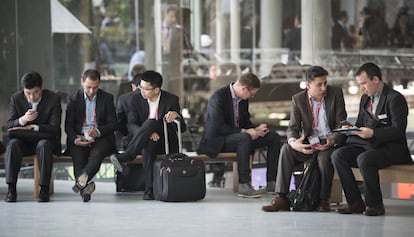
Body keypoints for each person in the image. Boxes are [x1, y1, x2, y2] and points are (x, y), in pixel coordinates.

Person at [261, 66, 347, 212]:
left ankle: (324, 199)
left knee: (323, 159)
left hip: (328, 142)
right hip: (308, 142)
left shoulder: (336, 93)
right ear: (308, 85)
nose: (324, 87)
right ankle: (281, 197)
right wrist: (294, 143)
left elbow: (341, 123)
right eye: (319, 84)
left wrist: (333, 140)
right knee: (286, 149)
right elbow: (292, 128)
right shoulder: (298, 99)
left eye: (325, 83)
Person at [331, 62, 412, 216]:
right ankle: (355, 202)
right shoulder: (365, 99)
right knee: (337, 155)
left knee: (364, 159)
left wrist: (373, 133)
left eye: (364, 84)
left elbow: (398, 130)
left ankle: (375, 205)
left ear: (375, 80)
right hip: (369, 146)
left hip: (392, 149)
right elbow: (361, 124)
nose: (362, 88)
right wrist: (352, 129)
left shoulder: (394, 99)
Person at [198, 72, 281, 198]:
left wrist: (256, 129)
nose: (252, 96)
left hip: (239, 138)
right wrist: (246, 132)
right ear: (244, 88)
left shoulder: (243, 99)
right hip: (217, 140)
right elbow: (218, 127)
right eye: (252, 93)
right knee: (244, 138)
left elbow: (245, 122)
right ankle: (244, 185)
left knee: (273, 137)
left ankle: (271, 182)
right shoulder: (218, 97)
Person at [110, 70, 187, 200]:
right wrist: (148, 133)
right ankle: (149, 189)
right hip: (144, 140)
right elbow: (131, 124)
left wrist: (176, 116)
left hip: (165, 140)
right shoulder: (135, 99)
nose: (142, 91)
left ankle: (128, 156)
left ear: (156, 90)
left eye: (146, 89)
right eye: (141, 87)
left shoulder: (171, 99)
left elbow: (182, 128)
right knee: (148, 142)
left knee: (151, 123)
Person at [4, 71, 62, 202]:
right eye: (27, 93)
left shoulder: (53, 99)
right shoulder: (16, 98)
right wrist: (23, 120)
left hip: (45, 142)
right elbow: (10, 125)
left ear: (42, 88)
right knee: (12, 145)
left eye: (35, 92)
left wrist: (33, 127)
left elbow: (55, 129)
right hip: (24, 143)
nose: (31, 97)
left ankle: (44, 190)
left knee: (44, 145)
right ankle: (11, 189)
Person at [65, 69, 117, 202]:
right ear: (82, 82)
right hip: (79, 136)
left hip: (101, 137)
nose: (92, 91)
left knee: (96, 155)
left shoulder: (107, 98)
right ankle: (85, 190)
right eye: (88, 87)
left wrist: (98, 131)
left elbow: (113, 124)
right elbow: (68, 126)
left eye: (95, 87)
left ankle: (81, 184)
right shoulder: (73, 98)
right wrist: (75, 139)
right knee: (79, 159)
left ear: (99, 84)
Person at [116, 73, 143, 150]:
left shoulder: (123, 99)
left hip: (129, 139)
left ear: (133, 86)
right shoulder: (154, 97)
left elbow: (120, 122)